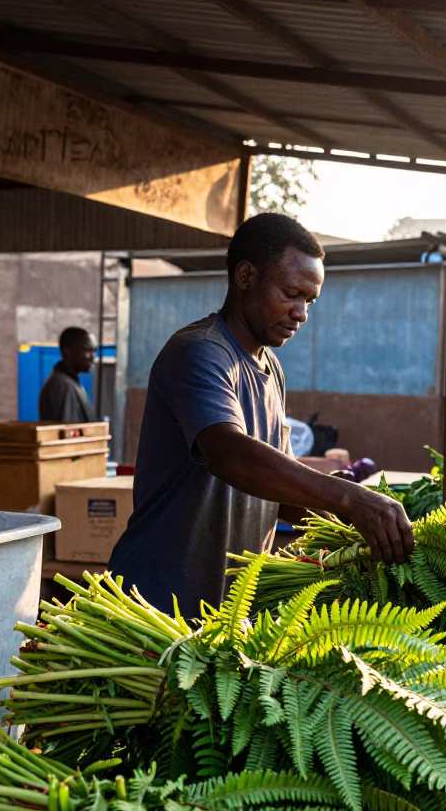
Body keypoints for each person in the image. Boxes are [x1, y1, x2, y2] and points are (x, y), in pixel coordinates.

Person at [109, 213, 414, 619]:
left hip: (227, 610)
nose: (302, 313)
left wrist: (340, 522)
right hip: (158, 603)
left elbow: (277, 487)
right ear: (246, 276)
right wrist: (348, 497)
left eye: (310, 300)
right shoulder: (199, 352)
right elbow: (229, 455)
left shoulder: (271, 370)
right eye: (291, 293)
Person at [38, 327, 96, 423]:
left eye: (94, 351)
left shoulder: (70, 383)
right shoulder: (63, 386)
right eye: (87, 350)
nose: (92, 357)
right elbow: (69, 433)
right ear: (67, 351)